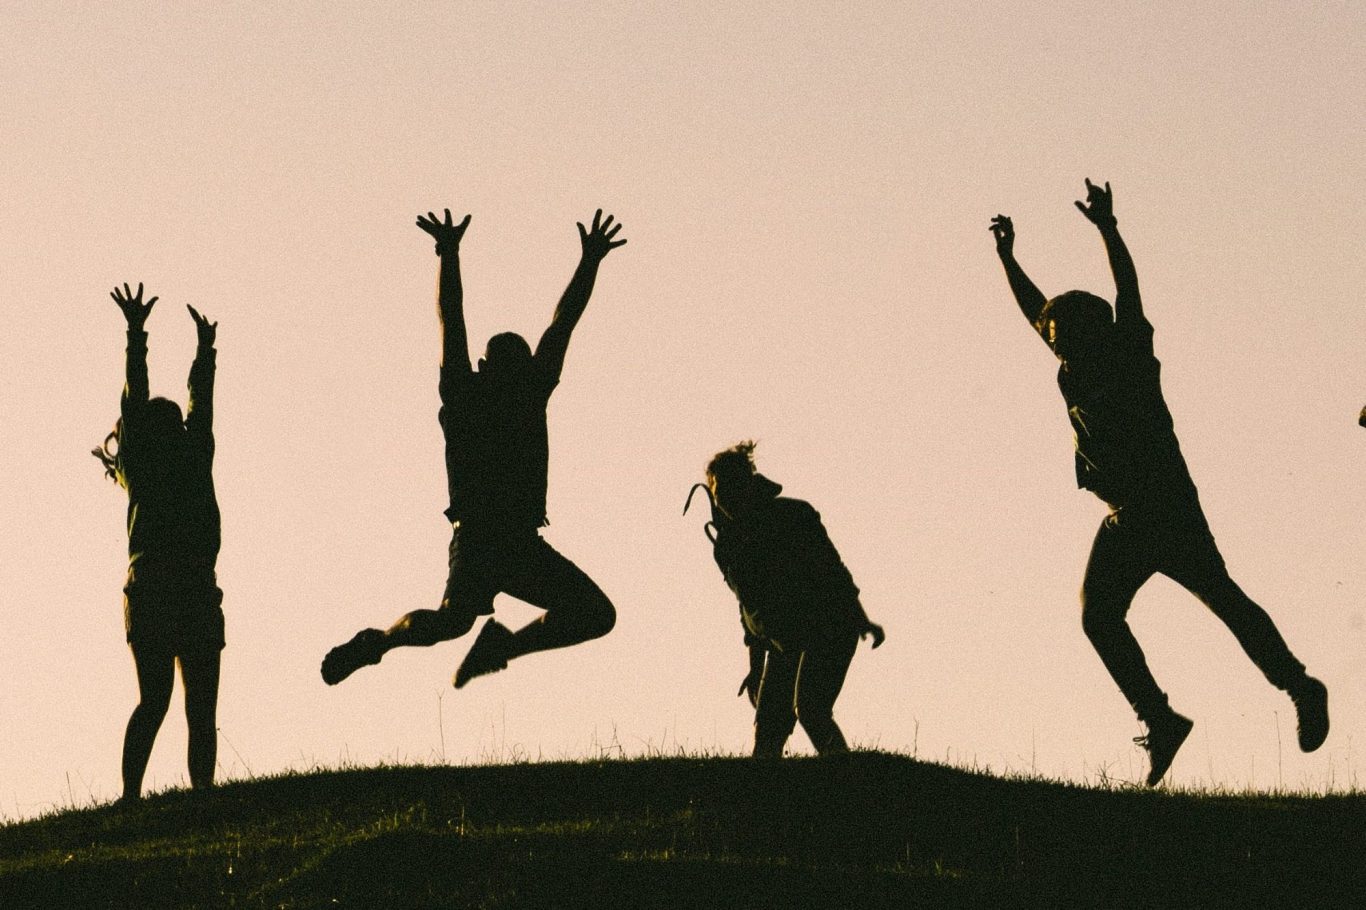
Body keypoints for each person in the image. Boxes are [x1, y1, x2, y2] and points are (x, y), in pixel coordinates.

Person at [989, 180, 1329, 786]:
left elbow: (1127, 290)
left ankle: (1300, 686)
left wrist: (1108, 228)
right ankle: (1162, 719)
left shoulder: (1128, 353)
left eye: (1060, 332)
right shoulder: (1071, 365)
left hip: (1166, 506)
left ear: (1089, 329)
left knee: (1222, 599)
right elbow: (1033, 311)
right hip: (1124, 515)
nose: (1052, 340)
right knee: (1099, 618)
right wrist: (1010, 258)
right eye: (1051, 336)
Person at [322, 208, 624, 689]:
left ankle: (397, 643)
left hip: (504, 540)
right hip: (494, 539)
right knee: (581, 614)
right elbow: (556, 324)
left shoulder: (474, 391)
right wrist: (590, 260)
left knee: (455, 622)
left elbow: (458, 317)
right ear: (505, 367)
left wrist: (449, 252)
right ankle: (405, 643)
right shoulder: (498, 393)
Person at [93, 283, 224, 801]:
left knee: (181, 704)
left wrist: (200, 351)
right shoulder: (151, 462)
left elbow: (197, 405)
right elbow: (171, 399)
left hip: (175, 585)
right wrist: (142, 338)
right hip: (168, 586)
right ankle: (143, 795)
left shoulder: (182, 456)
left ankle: (183, 794)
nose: (176, 417)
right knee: (172, 703)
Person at [692, 441, 885, 758]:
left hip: (829, 626)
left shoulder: (795, 515)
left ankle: (851, 785)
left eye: (731, 488)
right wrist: (755, 670)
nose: (725, 499)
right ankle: (766, 804)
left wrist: (860, 618)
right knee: (767, 733)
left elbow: (833, 572)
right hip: (785, 643)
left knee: (811, 708)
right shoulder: (727, 547)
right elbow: (750, 612)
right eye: (719, 492)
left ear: (749, 484)